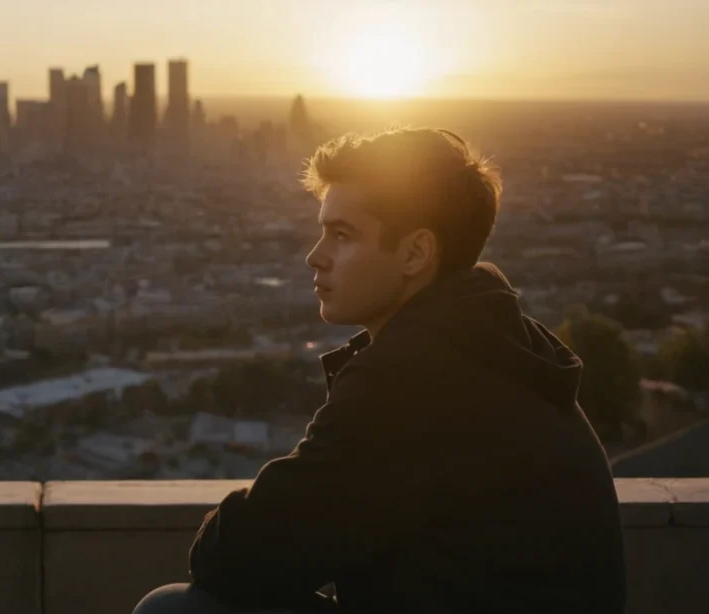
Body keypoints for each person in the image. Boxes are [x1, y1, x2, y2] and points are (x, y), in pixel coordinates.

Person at [133, 127, 626, 614]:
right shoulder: (497, 343)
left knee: (173, 611)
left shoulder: (415, 377)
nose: (315, 256)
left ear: (415, 254)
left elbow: (233, 555)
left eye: (342, 235)